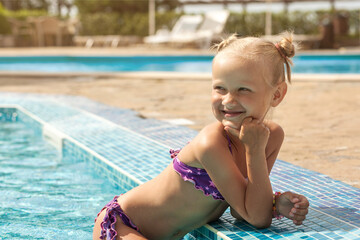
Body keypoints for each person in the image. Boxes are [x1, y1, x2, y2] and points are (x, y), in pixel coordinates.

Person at [93, 32, 310, 240]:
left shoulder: (272, 136)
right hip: (122, 225)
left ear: (277, 94)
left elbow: (242, 210)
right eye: (220, 88)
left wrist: (275, 204)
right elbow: (256, 216)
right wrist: (254, 150)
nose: (228, 100)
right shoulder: (211, 142)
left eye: (243, 89)